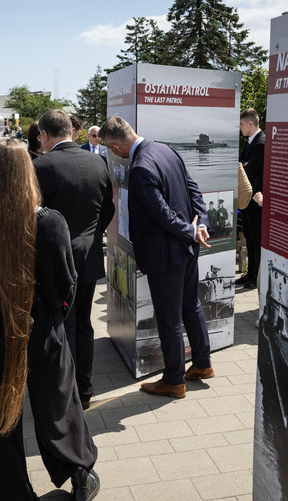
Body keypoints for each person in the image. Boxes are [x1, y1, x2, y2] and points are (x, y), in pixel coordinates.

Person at [0, 139, 100, 501]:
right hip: (39, 330)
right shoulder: (46, 221)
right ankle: (78, 478)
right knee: (58, 406)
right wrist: (53, 317)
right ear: (29, 172)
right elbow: (63, 285)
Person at [99, 116, 214, 399]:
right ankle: (202, 363)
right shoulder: (165, 149)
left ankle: (174, 381)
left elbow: (161, 213)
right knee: (191, 305)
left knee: (169, 317)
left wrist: (191, 229)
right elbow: (194, 190)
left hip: (167, 254)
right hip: (186, 248)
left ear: (115, 146)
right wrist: (200, 227)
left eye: (109, 149)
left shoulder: (140, 167)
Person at [33, 109, 114, 409]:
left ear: (44, 135)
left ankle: (64, 392)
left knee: (59, 325)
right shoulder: (98, 161)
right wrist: (91, 237)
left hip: (56, 260)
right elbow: (108, 209)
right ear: (71, 130)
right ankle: (85, 389)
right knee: (83, 323)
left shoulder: (41, 165)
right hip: (90, 255)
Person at [237, 108, 264, 290]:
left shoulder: (261, 143)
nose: (240, 128)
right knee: (248, 236)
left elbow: (248, 170)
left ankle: (256, 276)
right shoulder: (249, 143)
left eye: (241, 124)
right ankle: (250, 273)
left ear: (249, 123)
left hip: (256, 199)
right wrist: (243, 165)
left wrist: (243, 166)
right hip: (247, 199)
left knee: (256, 239)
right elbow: (239, 165)